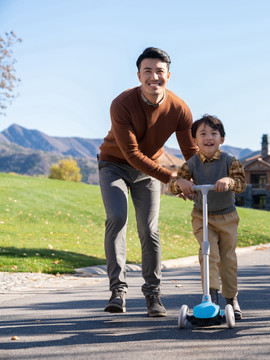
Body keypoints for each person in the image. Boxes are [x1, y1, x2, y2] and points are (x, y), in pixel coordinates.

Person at [98, 47, 198, 317]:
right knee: (117, 218)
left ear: (168, 75)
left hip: (148, 171)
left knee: (149, 229)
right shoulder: (122, 104)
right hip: (113, 165)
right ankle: (117, 291)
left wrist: (203, 179)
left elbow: (191, 153)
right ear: (139, 75)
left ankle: (153, 295)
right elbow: (131, 154)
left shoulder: (179, 109)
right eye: (147, 72)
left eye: (159, 71)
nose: (154, 76)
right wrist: (173, 179)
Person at [169, 115, 246, 320]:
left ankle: (231, 299)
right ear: (195, 140)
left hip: (228, 216)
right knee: (208, 253)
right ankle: (210, 297)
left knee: (227, 258)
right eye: (202, 134)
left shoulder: (230, 160)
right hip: (202, 216)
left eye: (214, 133)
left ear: (222, 138)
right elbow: (174, 183)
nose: (208, 138)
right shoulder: (191, 163)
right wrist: (180, 184)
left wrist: (229, 180)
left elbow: (241, 182)